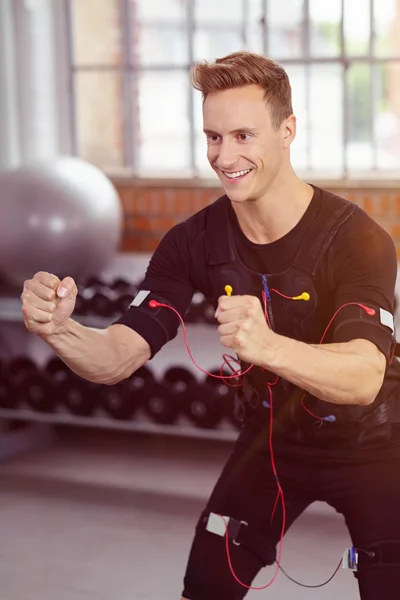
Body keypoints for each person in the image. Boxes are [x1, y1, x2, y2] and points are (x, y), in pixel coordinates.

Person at [20, 52, 400, 600]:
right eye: (213, 137)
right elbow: (117, 356)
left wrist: (267, 344)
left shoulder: (358, 239)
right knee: (205, 587)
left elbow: (364, 378)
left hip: (376, 445)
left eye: (245, 136)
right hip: (270, 445)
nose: (226, 156)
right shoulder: (191, 242)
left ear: (287, 130)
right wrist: (58, 329)